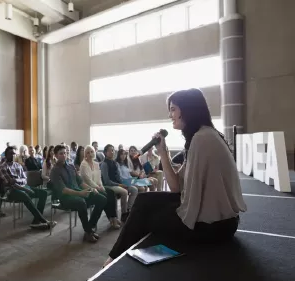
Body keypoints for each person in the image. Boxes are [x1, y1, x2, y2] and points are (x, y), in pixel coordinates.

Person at [104, 88, 247, 267]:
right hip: (220, 223)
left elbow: (184, 196)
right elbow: (177, 187)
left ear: (187, 109)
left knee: (147, 217)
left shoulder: (202, 139)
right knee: (143, 200)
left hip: (215, 226)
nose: (170, 115)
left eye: (173, 109)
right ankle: (114, 259)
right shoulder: (202, 136)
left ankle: (114, 264)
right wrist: (163, 152)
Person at [50, 145, 107, 243]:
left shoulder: (71, 166)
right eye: (61, 154)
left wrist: (91, 189)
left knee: (101, 199)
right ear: (55, 155)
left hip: (78, 193)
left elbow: (80, 182)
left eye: (65, 153)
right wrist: (80, 193)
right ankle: (88, 232)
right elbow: (63, 190)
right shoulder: (54, 170)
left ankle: (90, 227)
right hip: (66, 198)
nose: (64, 155)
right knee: (81, 202)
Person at [0, 146, 55, 229]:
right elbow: (10, 183)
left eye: (14, 154)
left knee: (43, 193)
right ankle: (43, 220)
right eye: (10, 154)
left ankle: (36, 221)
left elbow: (24, 180)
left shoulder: (18, 165)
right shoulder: (3, 166)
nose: (13, 155)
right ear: (6, 155)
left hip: (24, 187)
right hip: (11, 191)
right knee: (25, 195)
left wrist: (16, 180)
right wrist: (21, 184)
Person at [80, 145, 121, 229]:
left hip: (97, 187)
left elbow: (99, 178)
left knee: (111, 192)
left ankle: (113, 218)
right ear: (85, 155)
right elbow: (88, 180)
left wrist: (101, 186)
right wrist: (98, 188)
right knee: (104, 197)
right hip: (88, 189)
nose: (90, 154)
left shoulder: (96, 163)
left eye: (91, 152)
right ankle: (111, 219)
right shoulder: (83, 164)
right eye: (88, 152)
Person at [100, 145, 130, 222]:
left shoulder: (115, 163)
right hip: (108, 186)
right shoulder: (104, 164)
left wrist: (124, 183)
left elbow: (118, 176)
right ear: (105, 153)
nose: (112, 152)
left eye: (113, 150)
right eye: (109, 151)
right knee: (124, 192)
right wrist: (120, 185)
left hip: (117, 184)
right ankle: (124, 214)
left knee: (132, 189)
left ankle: (129, 210)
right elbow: (107, 181)